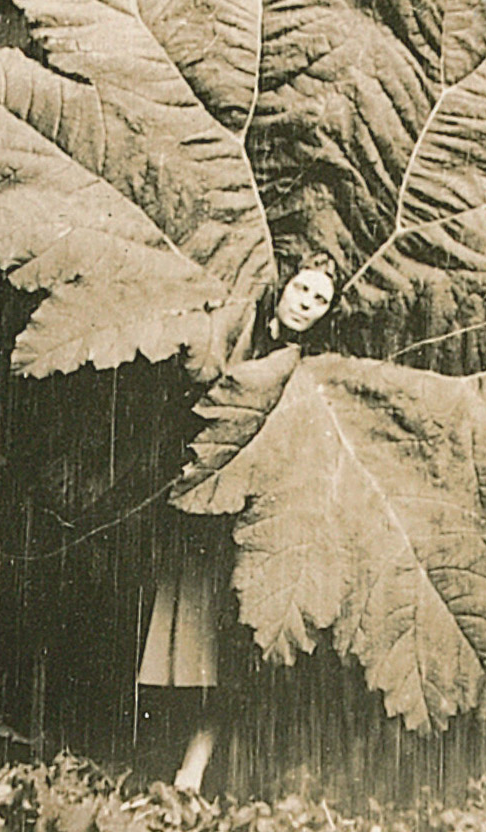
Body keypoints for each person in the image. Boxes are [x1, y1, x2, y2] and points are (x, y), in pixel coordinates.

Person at [137, 254, 337, 791]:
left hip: (253, 523)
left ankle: (193, 771)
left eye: (320, 301)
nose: (305, 304)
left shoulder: (309, 366)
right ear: (285, 284)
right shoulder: (238, 326)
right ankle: (168, 763)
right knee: (185, 638)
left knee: (227, 651)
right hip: (198, 515)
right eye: (302, 289)